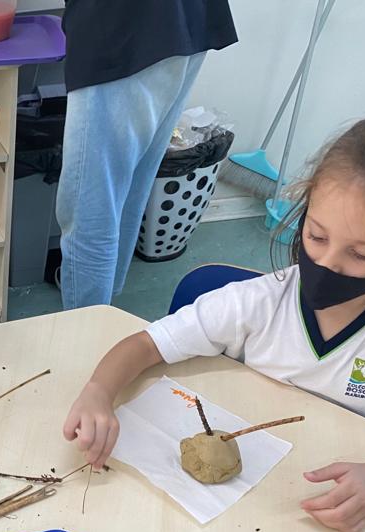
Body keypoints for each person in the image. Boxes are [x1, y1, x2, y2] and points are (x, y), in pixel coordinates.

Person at [64, 113, 365, 532]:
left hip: (321, 498)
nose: (326, 263)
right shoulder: (260, 301)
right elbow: (145, 344)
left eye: (363, 256)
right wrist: (98, 391)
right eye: (316, 236)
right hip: (242, 506)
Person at [57, 0, 237, 308]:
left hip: (122, 26)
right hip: (183, 17)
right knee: (127, 185)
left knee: (90, 207)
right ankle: (101, 308)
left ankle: (84, 330)